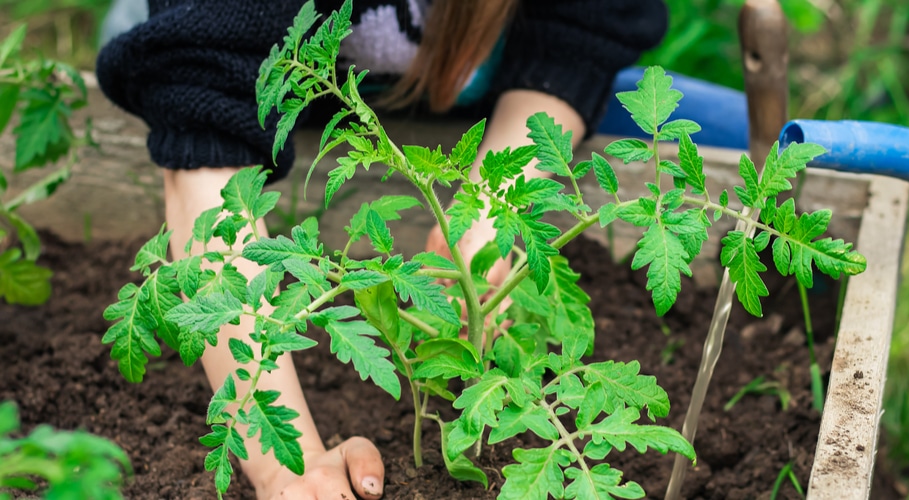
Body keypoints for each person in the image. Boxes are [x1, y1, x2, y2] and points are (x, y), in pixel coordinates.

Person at [96, 0, 667, 498]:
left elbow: (579, 34)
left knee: (726, 126)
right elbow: (207, 152)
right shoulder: (217, 50)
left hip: (484, 81)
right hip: (230, 57)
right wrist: (284, 469)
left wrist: (490, 208)